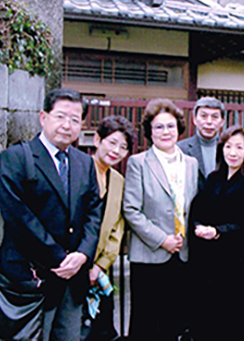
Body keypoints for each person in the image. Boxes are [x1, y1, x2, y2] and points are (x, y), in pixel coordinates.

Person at [0, 88, 103, 341]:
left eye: (75, 119)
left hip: (73, 277)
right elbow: (18, 217)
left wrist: (83, 254)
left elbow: (94, 212)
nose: (67, 125)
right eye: (60, 117)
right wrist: (59, 259)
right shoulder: (15, 158)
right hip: (31, 276)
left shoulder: (85, 162)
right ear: (43, 117)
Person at [122, 98, 198, 341]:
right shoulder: (138, 163)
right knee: (146, 324)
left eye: (170, 126)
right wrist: (162, 239)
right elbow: (131, 209)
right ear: (149, 131)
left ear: (179, 128)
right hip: (150, 253)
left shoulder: (190, 163)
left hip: (183, 253)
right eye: (159, 127)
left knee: (174, 323)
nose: (166, 132)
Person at [188, 125, 244, 341]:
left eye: (239, 147)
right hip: (209, 264)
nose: (233, 152)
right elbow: (197, 210)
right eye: (228, 146)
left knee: (236, 324)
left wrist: (218, 231)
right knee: (209, 321)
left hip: (240, 265)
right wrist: (199, 226)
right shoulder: (213, 179)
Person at [81, 115, 135, 341]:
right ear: (97, 140)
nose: (116, 151)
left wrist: (100, 265)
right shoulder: (79, 169)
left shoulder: (118, 180)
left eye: (123, 147)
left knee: (102, 330)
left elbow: (117, 230)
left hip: (100, 269)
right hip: (73, 264)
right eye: (112, 142)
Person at [177, 96, 225, 188]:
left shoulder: (228, 149)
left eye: (215, 117)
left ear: (222, 121)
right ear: (194, 119)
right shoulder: (180, 149)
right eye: (203, 116)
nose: (209, 122)